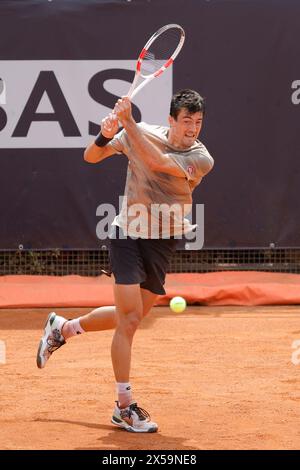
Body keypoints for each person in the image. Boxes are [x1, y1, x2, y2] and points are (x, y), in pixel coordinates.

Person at [36, 89, 214, 433]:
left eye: (199, 122)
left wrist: (128, 123)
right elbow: (91, 156)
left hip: (163, 240)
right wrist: (106, 133)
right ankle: (124, 406)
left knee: (129, 315)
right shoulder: (142, 131)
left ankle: (63, 328)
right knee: (130, 321)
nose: (193, 128)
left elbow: (159, 163)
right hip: (128, 233)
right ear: (171, 120)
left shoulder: (200, 156)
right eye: (187, 121)